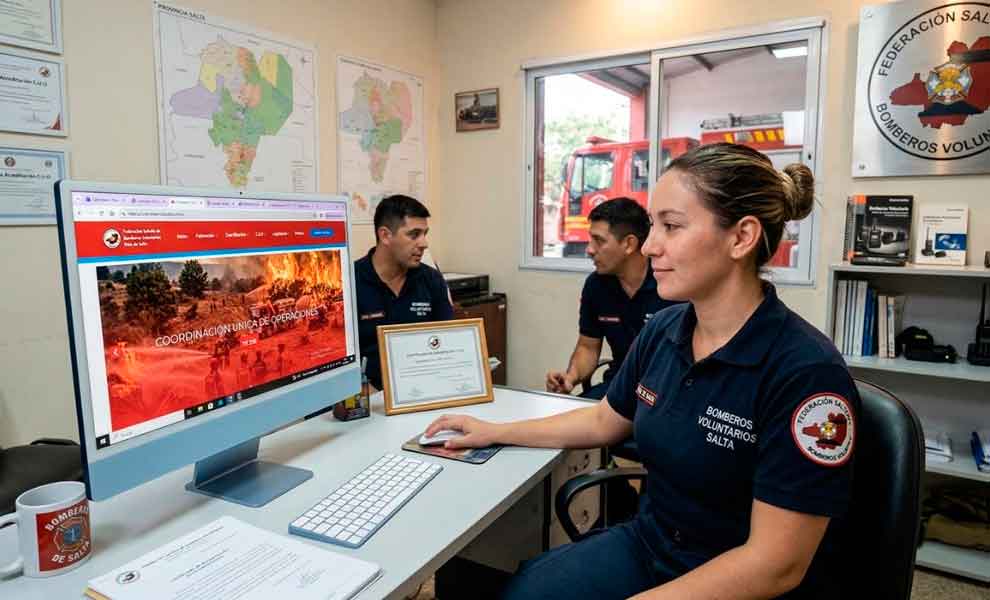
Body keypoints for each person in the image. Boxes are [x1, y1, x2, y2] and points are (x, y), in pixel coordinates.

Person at [425, 143, 859, 600]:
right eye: (654, 226)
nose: (650, 246)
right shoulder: (668, 328)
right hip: (653, 542)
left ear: (741, 238)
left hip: (735, 577)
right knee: (524, 591)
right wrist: (496, 430)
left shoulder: (806, 372)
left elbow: (775, 565)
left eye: (671, 226)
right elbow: (601, 419)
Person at [546, 197, 679, 399]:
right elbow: (588, 347)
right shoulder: (596, 285)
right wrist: (571, 377)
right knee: (568, 421)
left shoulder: (670, 284)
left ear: (629, 244)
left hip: (665, 392)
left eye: (598, 241)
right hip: (619, 388)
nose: (589, 249)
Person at [355, 194, 453, 391]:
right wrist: (365, 393)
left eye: (425, 233)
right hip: (366, 400)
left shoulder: (431, 280)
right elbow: (333, 362)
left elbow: (448, 344)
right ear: (385, 236)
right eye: (414, 234)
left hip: (422, 392)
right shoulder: (350, 282)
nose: (424, 243)